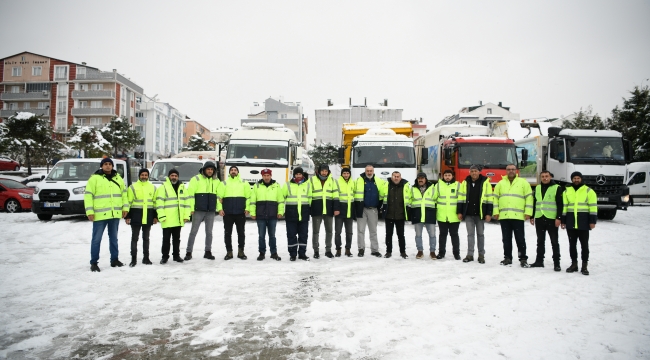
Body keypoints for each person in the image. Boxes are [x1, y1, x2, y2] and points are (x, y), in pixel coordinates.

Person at [84, 157, 129, 272]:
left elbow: (124, 195)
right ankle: (94, 262)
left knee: (114, 239)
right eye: (105, 164)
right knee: (96, 239)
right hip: (100, 215)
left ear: (112, 166)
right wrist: (89, 211)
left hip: (114, 215)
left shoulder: (118, 178)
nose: (108, 166)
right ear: (101, 166)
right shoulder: (94, 179)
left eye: (110, 164)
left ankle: (114, 259)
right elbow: (88, 196)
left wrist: (125, 208)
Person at [493, 164, 533, 267]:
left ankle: (523, 258)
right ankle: (507, 258)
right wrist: (496, 212)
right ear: (506, 171)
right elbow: (495, 199)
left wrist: (528, 212)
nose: (511, 171)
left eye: (513, 169)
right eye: (509, 169)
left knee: (520, 239)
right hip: (504, 216)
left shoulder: (523, 183)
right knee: (506, 239)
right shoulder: (500, 184)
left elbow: (529, 197)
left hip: (518, 216)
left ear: (516, 171)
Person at [561, 171, 597, 275]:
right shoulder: (567, 191)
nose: (576, 180)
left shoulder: (588, 191)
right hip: (571, 222)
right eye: (574, 178)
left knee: (584, 245)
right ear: (571, 179)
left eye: (578, 178)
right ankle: (574, 264)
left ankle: (584, 266)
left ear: (581, 179)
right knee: (572, 245)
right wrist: (563, 221)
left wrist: (592, 221)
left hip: (583, 222)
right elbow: (564, 207)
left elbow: (593, 207)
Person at [185, 161, 221, 261]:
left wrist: (219, 208)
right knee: (193, 231)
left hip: (210, 211)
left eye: (211, 169)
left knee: (209, 232)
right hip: (198, 210)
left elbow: (218, 196)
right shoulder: (195, 179)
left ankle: (208, 252)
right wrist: (191, 208)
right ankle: (189, 252)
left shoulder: (217, 181)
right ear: (204, 169)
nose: (210, 171)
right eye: (208, 169)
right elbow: (190, 195)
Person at [457, 165, 493, 263]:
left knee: (480, 235)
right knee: (470, 235)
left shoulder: (485, 183)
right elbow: (460, 198)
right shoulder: (465, 183)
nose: (474, 173)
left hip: (480, 214)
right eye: (472, 171)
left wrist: (489, 213)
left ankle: (481, 255)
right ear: (469, 172)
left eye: (476, 171)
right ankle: (470, 255)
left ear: (479, 172)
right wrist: (460, 212)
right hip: (468, 214)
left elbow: (490, 199)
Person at [154, 168, 191, 264]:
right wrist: (161, 216)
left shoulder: (182, 187)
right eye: (172, 175)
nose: (174, 177)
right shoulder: (163, 187)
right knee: (166, 239)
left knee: (176, 239)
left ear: (178, 177)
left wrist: (186, 215)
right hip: (167, 219)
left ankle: (176, 256)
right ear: (169, 176)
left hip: (178, 219)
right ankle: (165, 256)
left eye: (175, 176)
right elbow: (159, 203)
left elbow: (187, 202)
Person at [530, 170, 564, 271]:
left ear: (550, 177)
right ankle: (539, 261)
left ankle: (556, 263)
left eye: (547, 176)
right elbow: (535, 202)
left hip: (551, 219)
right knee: (540, 241)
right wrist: (532, 216)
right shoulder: (537, 187)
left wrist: (558, 218)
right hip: (540, 217)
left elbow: (560, 204)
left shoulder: (557, 188)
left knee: (554, 241)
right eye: (543, 176)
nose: (545, 178)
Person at [125, 168, 157, 267]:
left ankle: (146, 258)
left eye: (145, 175)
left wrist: (155, 216)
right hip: (136, 216)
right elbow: (128, 202)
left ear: (148, 176)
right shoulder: (132, 187)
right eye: (142, 175)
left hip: (148, 216)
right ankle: (133, 259)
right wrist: (127, 216)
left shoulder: (153, 187)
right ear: (139, 176)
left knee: (146, 238)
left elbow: (155, 203)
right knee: (134, 238)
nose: (144, 176)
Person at [218, 166, 251, 260]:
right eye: (231, 170)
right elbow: (219, 198)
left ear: (238, 172)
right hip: (228, 213)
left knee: (241, 233)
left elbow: (249, 197)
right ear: (229, 172)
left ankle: (241, 252)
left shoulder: (244, 183)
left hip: (240, 213)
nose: (233, 171)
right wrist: (220, 209)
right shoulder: (224, 183)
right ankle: (229, 252)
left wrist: (247, 208)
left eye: (235, 170)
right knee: (227, 233)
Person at [250, 168, 284, 261]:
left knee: (272, 235)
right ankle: (262, 253)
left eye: (268, 175)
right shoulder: (257, 186)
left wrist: (280, 212)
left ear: (271, 176)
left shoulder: (276, 186)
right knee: (261, 236)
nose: (266, 177)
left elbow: (281, 201)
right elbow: (252, 201)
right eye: (264, 175)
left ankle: (274, 253)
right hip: (260, 215)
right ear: (262, 176)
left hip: (273, 215)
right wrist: (252, 213)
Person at [354, 165, 387, 257]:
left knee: (373, 231)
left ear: (373, 171)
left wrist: (380, 207)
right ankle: (361, 249)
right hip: (362, 209)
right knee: (360, 230)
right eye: (367, 171)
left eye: (370, 171)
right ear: (365, 171)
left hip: (373, 209)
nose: (369, 172)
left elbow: (383, 194)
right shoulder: (358, 180)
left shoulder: (379, 181)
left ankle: (375, 250)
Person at [310, 164, 340, 259]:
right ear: (319, 171)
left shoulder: (332, 181)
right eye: (322, 171)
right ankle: (316, 251)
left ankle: (328, 250)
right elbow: (309, 196)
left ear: (328, 172)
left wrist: (336, 208)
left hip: (329, 210)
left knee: (329, 231)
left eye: (326, 171)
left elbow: (336, 196)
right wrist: (310, 209)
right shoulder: (312, 180)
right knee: (316, 232)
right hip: (316, 210)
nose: (324, 172)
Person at [283, 167, 312, 261]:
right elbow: (282, 198)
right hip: (291, 213)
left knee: (303, 235)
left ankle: (302, 253)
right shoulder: (287, 185)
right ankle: (293, 254)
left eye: (300, 174)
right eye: (296, 174)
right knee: (291, 235)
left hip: (303, 213)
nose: (298, 176)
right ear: (294, 175)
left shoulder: (307, 184)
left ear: (302, 175)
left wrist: (308, 210)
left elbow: (310, 198)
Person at [382, 171, 411, 259]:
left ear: (400, 177)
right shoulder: (386, 185)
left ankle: (403, 252)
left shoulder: (405, 186)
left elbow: (409, 198)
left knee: (401, 235)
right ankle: (388, 251)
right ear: (391, 177)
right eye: (394, 176)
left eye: (398, 176)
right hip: (389, 215)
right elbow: (381, 196)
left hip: (400, 215)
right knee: (388, 234)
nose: (396, 178)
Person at [435, 170, 462, 260]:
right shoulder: (438, 185)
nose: (447, 177)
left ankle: (456, 253)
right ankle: (441, 253)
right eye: (445, 175)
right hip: (442, 215)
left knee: (454, 235)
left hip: (454, 215)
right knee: (442, 235)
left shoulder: (458, 185)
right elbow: (434, 198)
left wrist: (460, 212)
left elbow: (461, 200)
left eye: (449, 175)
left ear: (452, 176)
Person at [410, 172, 437, 259]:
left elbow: (436, 199)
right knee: (418, 235)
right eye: (419, 178)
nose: (420, 180)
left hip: (430, 213)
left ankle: (432, 251)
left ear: (426, 179)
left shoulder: (433, 188)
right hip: (417, 214)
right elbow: (409, 200)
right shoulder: (413, 188)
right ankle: (420, 251)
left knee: (432, 234)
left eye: (422, 178)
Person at [335, 167, 355, 257]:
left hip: (349, 211)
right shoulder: (337, 182)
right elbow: (335, 197)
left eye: (347, 173)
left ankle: (348, 249)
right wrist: (336, 209)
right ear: (342, 174)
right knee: (338, 232)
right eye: (344, 173)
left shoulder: (353, 182)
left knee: (349, 232)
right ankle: (338, 249)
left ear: (349, 174)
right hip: (340, 211)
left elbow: (354, 195)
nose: (346, 175)